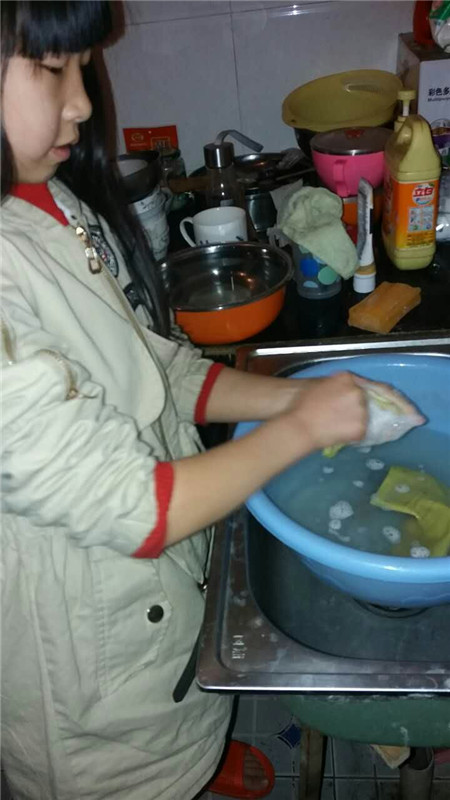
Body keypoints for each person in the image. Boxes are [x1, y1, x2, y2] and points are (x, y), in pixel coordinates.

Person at [0, 3, 420, 799]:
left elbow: (162, 375)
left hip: (152, 616)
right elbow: (134, 507)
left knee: (182, 706)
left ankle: (194, 748)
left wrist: (301, 396)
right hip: (88, 697)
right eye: (52, 69)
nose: (83, 101)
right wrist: (303, 427)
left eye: (83, 66)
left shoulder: (50, 198)